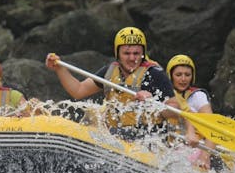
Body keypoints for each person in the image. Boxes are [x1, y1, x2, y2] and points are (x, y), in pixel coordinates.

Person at [45, 26, 198, 144]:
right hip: (115, 132)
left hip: (147, 135)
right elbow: (78, 91)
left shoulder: (154, 74)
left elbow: (175, 107)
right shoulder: (109, 71)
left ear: (143, 53)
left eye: (137, 53)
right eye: (127, 53)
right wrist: (60, 69)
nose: (132, 58)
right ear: (117, 53)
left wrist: (154, 102)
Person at [166, 54, 215, 170]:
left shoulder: (198, 96)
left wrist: (205, 156)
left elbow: (212, 127)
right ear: (171, 76)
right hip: (172, 145)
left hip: (196, 147)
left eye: (187, 75)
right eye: (178, 75)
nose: (183, 79)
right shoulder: (165, 95)